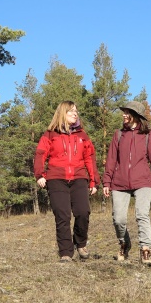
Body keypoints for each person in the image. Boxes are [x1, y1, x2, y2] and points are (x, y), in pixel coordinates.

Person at [34, 101, 100, 263]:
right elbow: (40, 154)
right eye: (71, 111)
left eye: (76, 111)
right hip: (56, 178)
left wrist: (93, 181)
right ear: (63, 113)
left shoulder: (82, 135)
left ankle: (81, 243)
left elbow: (89, 158)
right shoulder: (50, 134)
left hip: (78, 178)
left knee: (83, 212)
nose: (75, 114)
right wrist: (40, 175)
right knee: (62, 215)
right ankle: (65, 252)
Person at [103, 101, 151, 266]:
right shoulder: (118, 135)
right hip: (119, 182)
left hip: (143, 181)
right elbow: (111, 160)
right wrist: (107, 182)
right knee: (118, 219)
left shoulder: (148, 135)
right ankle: (124, 243)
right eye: (123, 112)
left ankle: (145, 250)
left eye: (127, 112)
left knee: (142, 214)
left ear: (136, 115)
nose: (124, 115)